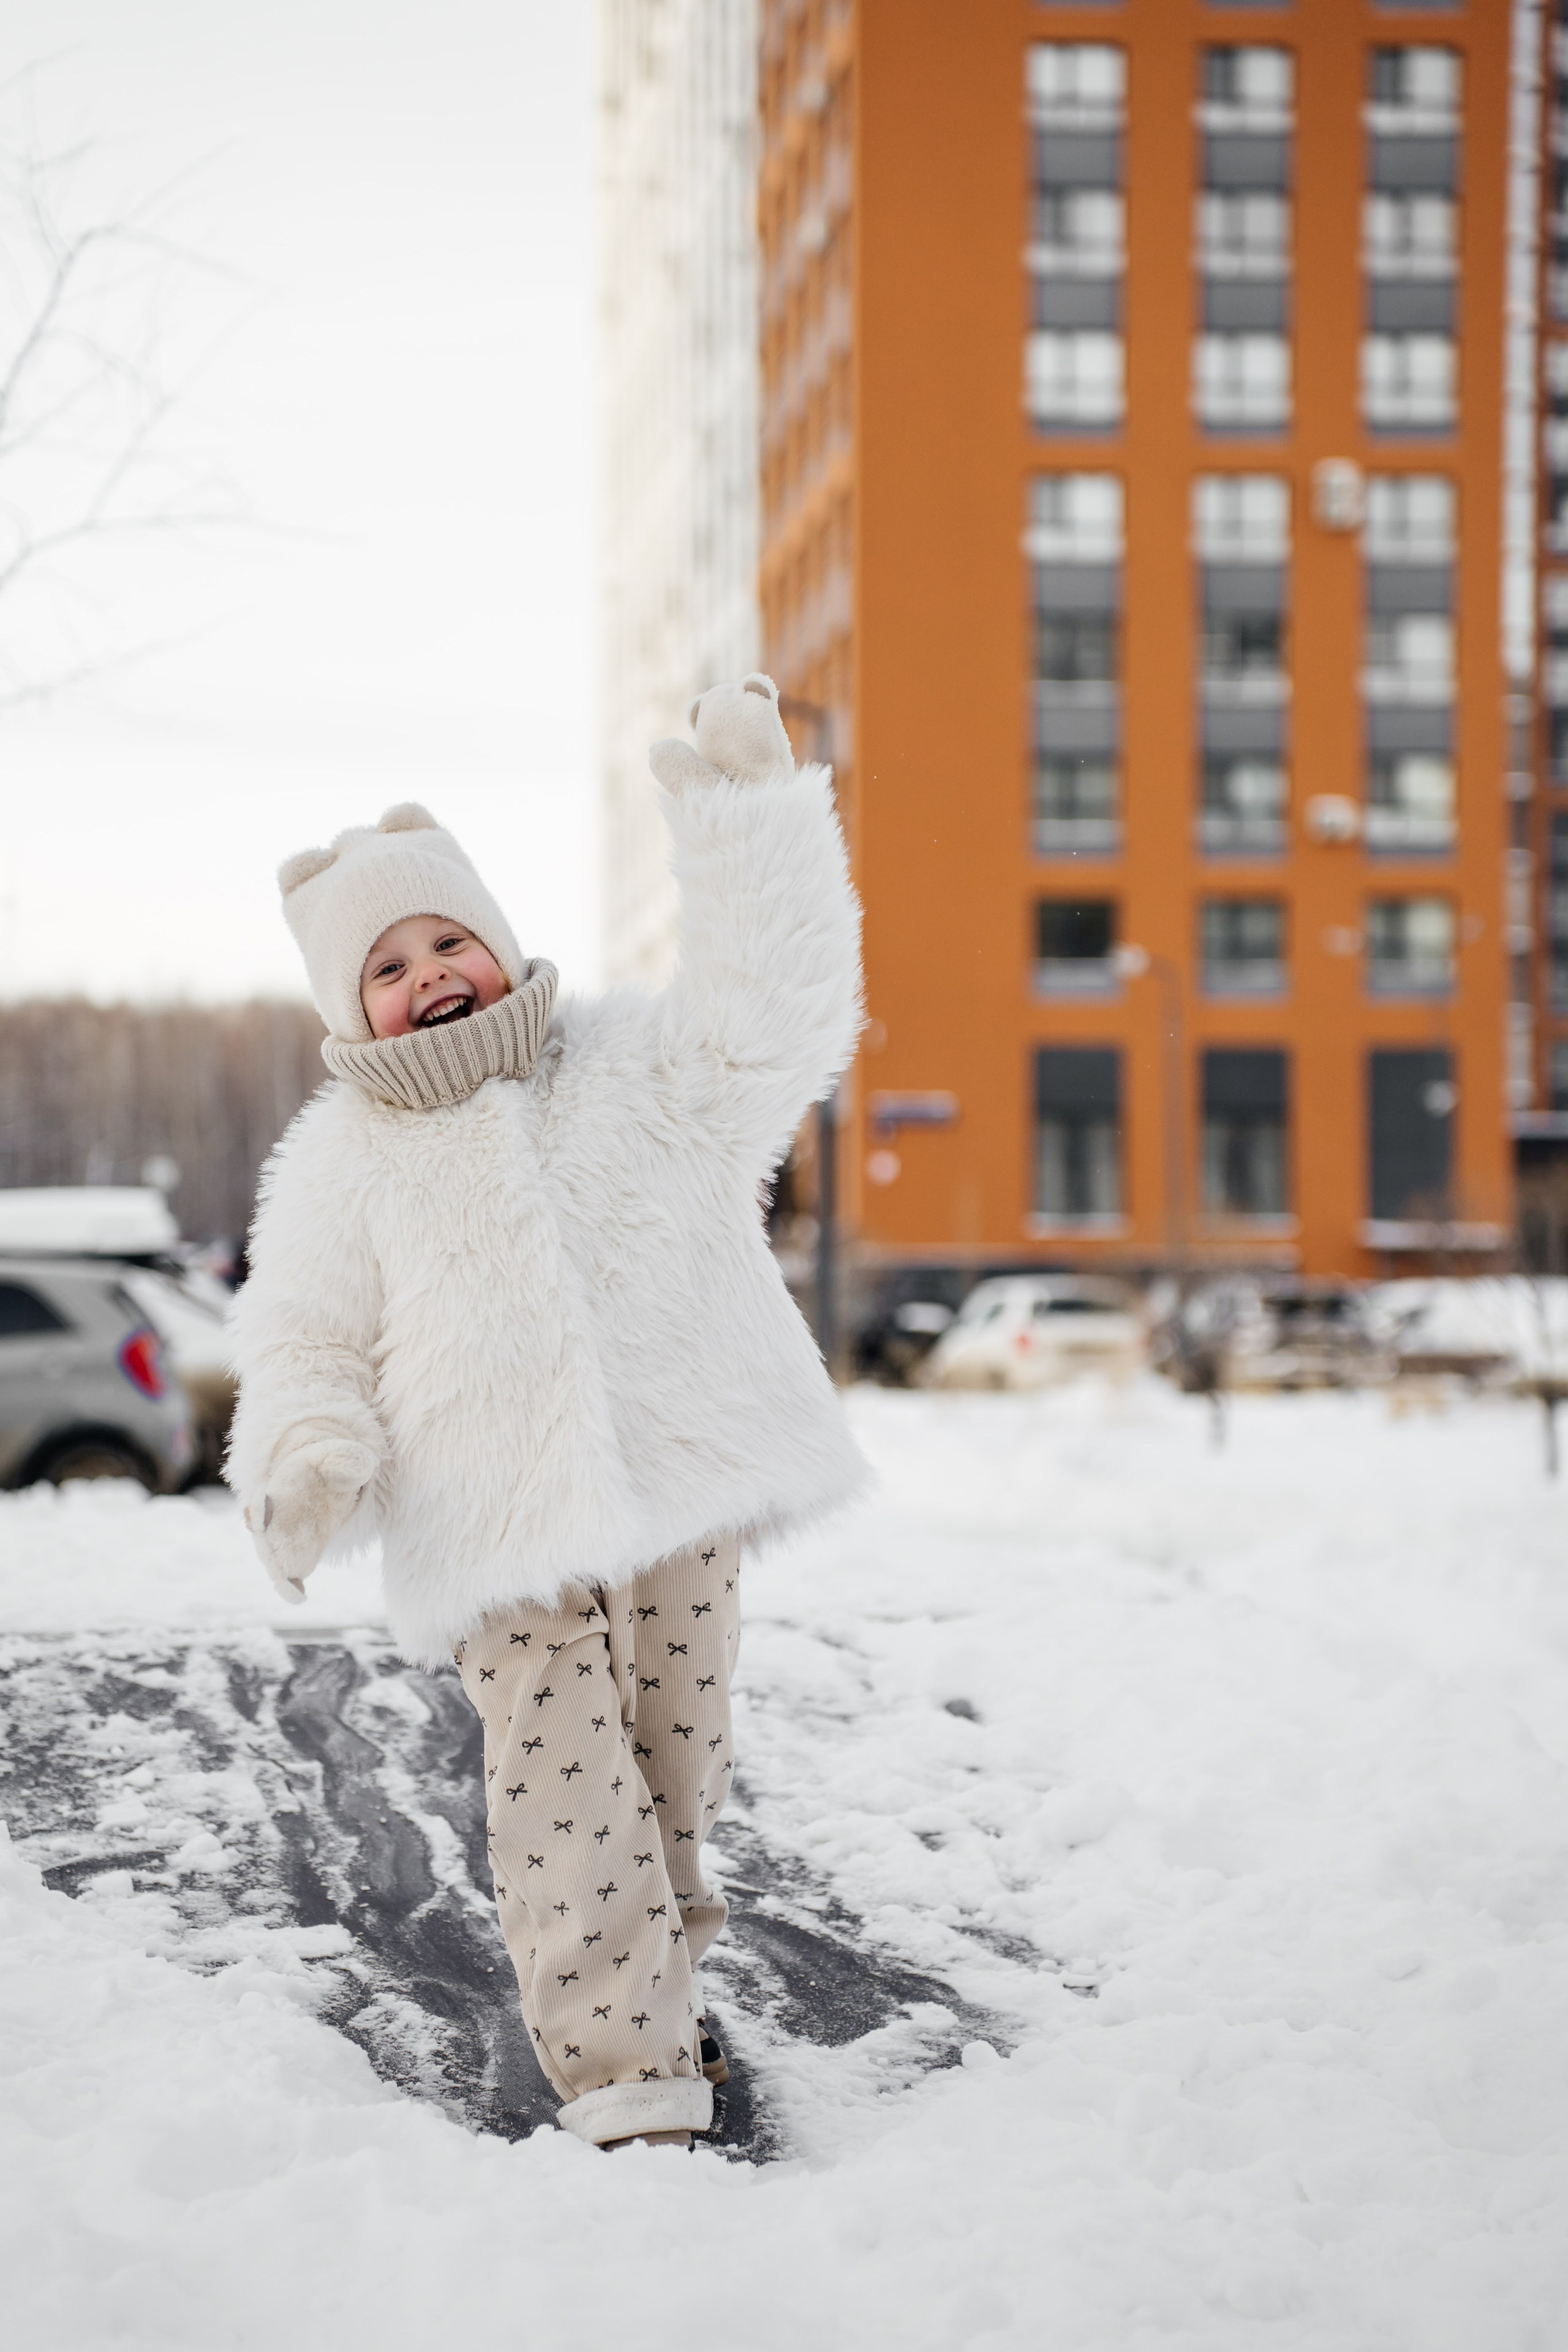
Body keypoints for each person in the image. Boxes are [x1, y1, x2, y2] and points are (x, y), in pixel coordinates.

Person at [226, 675, 865, 2150]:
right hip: (496, 1530)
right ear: (347, 1009)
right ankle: (626, 2075)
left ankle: (665, 1977)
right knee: (564, 1785)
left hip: (677, 1486)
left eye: (452, 937)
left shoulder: (638, 1070)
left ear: (503, 950)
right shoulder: (343, 1164)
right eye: (387, 964)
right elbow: (305, 1339)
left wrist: (749, 825)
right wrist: (308, 1456)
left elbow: (779, 1010)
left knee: (669, 1765)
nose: (430, 971)